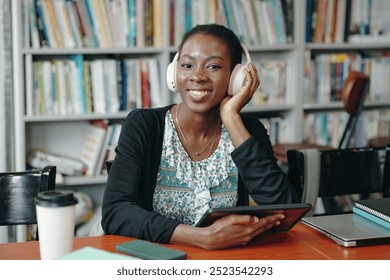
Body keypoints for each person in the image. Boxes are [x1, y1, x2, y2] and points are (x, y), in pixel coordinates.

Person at [101, 24, 299, 250]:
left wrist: (231, 118)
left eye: (213, 66)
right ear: (174, 73)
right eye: (187, 65)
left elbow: (284, 209)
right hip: (157, 260)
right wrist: (199, 237)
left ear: (236, 77)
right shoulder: (144, 125)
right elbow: (115, 211)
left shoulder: (248, 130)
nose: (197, 76)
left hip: (225, 262)